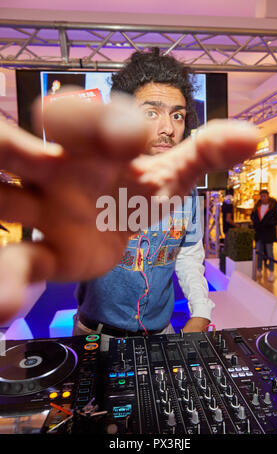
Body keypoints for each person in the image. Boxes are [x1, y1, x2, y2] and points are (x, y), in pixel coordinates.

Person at [0, 51, 259, 326]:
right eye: (151, 112)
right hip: (96, 336)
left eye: (178, 116)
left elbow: (188, 253)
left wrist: (201, 312)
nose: (168, 127)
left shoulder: (188, 190)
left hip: (162, 333)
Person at [251, 190, 277, 282]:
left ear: (268, 196)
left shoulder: (273, 207)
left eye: (265, 196)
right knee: (259, 252)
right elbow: (253, 217)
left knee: (270, 253)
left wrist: (269, 223)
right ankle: (259, 269)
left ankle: (271, 271)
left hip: (268, 234)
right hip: (259, 233)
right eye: (262, 196)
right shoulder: (257, 207)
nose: (263, 198)